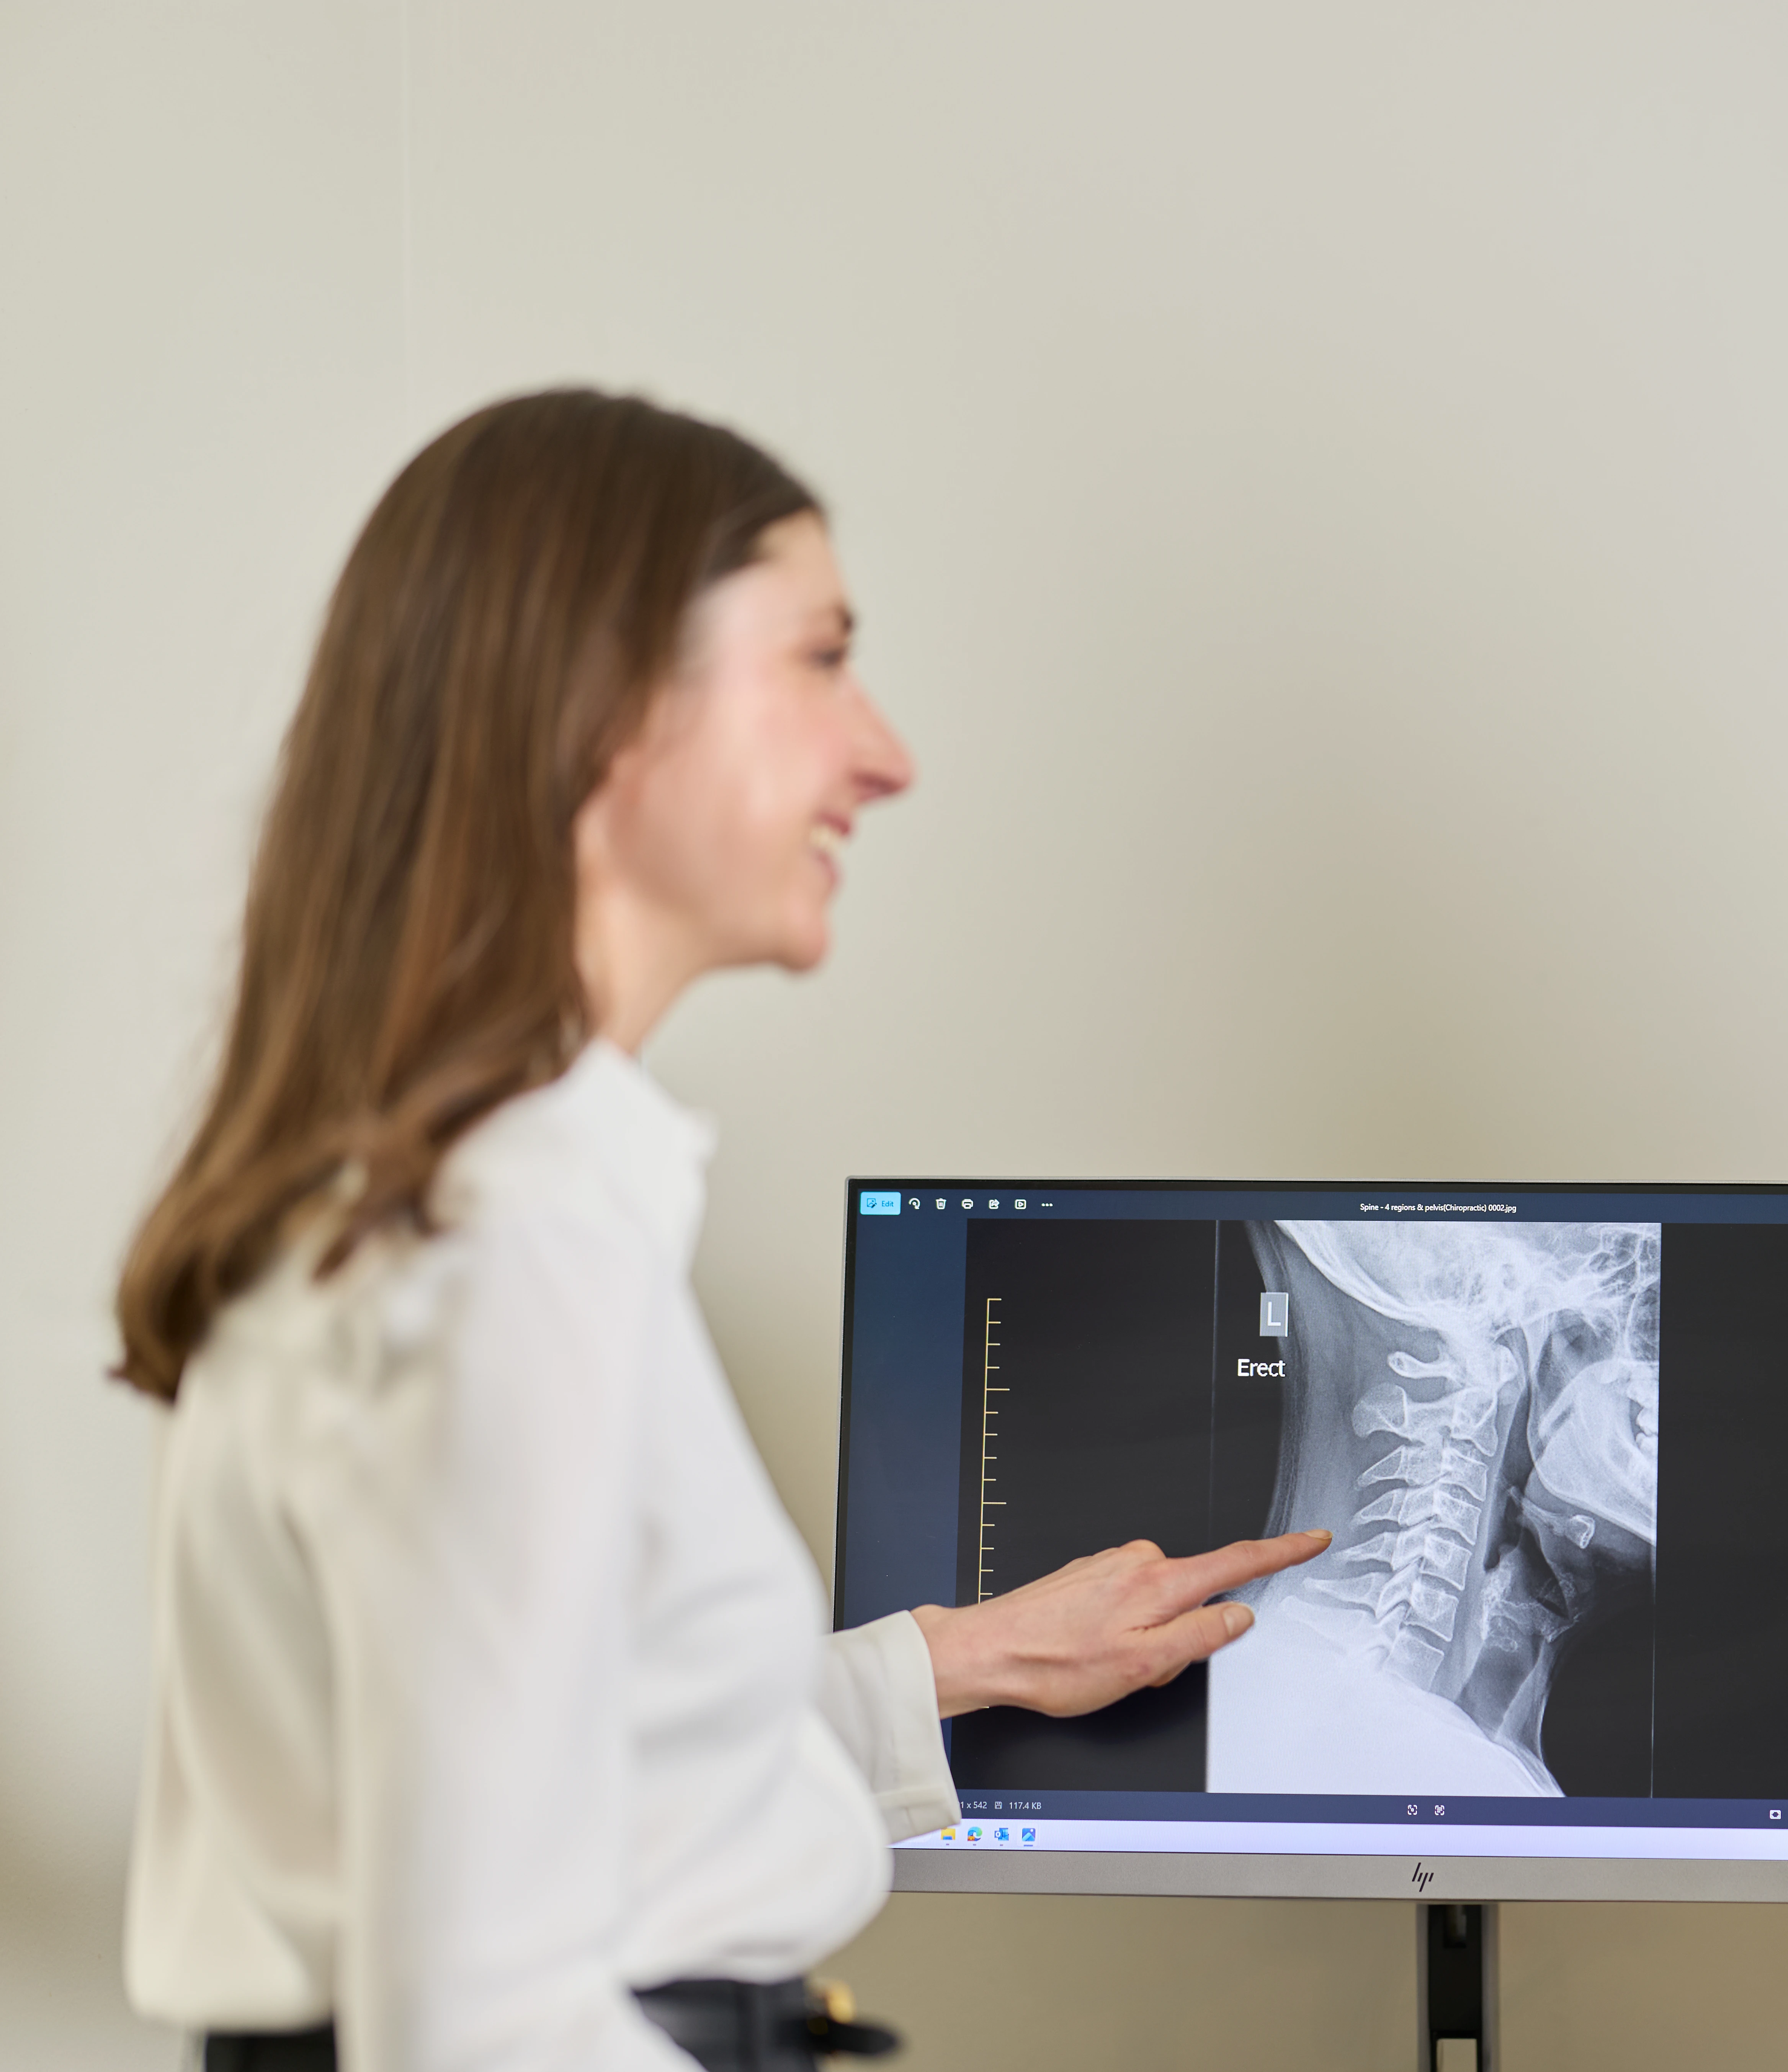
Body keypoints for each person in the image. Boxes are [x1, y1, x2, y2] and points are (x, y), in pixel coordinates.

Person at [112, 390, 1329, 2072]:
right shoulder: (506, 1258)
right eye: (820, 660)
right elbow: (484, 2022)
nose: (884, 756)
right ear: (607, 702)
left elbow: (566, 1769)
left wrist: (968, 1658)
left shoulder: (414, 1214)